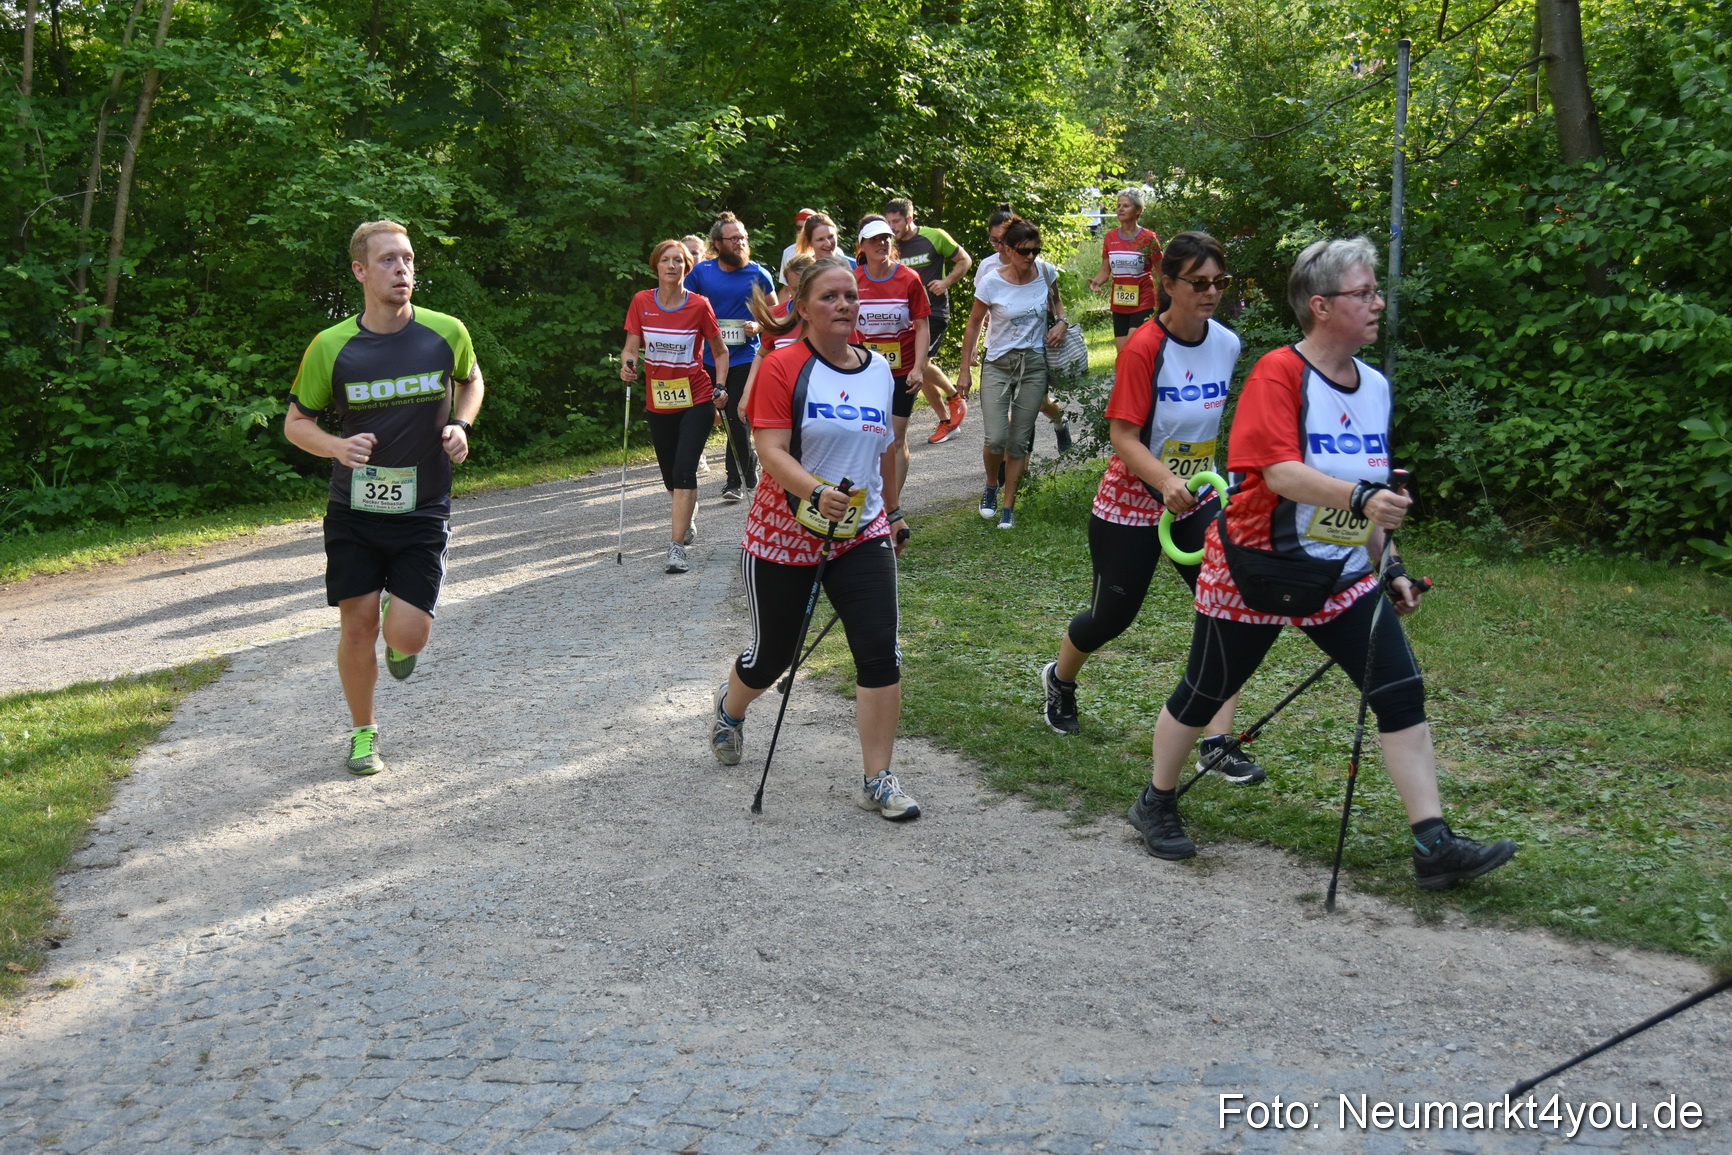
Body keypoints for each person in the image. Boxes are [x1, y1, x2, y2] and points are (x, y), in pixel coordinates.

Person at [1127, 237, 1518, 893]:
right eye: (1363, 292)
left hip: (1339, 577)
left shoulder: (1377, 388)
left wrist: (1388, 561)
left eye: (1374, 291)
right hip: (1256, 567)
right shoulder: (1279, 374)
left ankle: (1434, 843)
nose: (1377, 302)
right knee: (1203, 691)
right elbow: (1278, 472)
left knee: (1400, 692)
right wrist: (1362, 498)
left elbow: (1373, 489)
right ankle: (1156, 798)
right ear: (1321, 305)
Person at [1038, 231, 1263, 782]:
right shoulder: (1144, 346)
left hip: (1199, 499)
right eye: (1199, 283)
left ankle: (1218, 739)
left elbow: (1209, 424)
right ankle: (1060, 680)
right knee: (1111, 617)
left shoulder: (1227, 344)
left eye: (1220, 283)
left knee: (1227, 610)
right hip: (1133, 500)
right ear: (1168, 285)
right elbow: (1123, 434)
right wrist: (1163, 480)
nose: (1211, 292)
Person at [709, 256, 920, 820]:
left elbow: (886, 452)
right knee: (771, 657)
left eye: (851, 296)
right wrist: (814, 490)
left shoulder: (880, 370)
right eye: (830, 297)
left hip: (860, 531)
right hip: (785, 536)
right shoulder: (783, 365)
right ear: (801, 308)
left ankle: (879, 777)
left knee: (880, 652)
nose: (845, 305)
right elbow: (770, 450)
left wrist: (893, 512)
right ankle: (731, 710)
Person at [283, 219, 484, 776]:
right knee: (357, 623)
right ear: (360, 271)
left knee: (408, 636)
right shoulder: (332, 347)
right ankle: (363, 732)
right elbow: (296, 423)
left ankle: (402, 623)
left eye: (409, 259)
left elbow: (471, 379)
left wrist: (462, 424)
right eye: (389, 260)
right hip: (355, 509)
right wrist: (335, 446)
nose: (402, 270)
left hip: (423, 507)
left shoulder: (446, 332)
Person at [620, 239, 730, 573]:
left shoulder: (699, 305)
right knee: (671, 476)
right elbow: (630, 347)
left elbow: (720, 351)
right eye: (665, 261)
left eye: (678, 261)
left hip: (696, 397)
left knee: (684, 469)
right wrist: (627, 365)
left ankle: (676, 547)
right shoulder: (641, 302)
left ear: (687, 266)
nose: (672, 266)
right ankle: (687, 514)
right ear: (656, 266)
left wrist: (720, 385)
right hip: (659, 398)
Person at [956, 218, 1067, 530]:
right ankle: (991, 486)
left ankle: (1008, 506)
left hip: (1034, 364)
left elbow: (1058, 304)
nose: (1030, 256)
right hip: (998, 363)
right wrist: (965, 369)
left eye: (1035, 250)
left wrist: (1062, 322)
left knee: (1018, 441)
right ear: (1007, 249)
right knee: (996, 439)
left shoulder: (1046, 272)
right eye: (1023, 251)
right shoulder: (992, 281)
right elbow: (974, 323)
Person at [686, 212, 775, 502]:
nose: (740, 243)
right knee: (716, 417)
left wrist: (758, 325)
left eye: (743, 238)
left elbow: (777, 315)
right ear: (718, 243)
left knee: (737, 416)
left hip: (746, 356)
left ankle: (733, 481)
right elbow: (685, 306)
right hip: (708, 358)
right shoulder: (702, 273)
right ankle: (749, 469)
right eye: (733, 238)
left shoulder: (759, 274)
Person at [975, 204, 1072, 453]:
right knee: (1003, 422)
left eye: (1001, 241)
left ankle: (1059, 422)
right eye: (993, 241)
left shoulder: (1042, 268)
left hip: (1034, 352)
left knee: (1039, 405)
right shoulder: (987, 268)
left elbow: (1056, 301)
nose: (997, 247)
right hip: (1000, 349)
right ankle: (1014, 466)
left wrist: (1062, 322)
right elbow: (981, 307)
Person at [882, 197, 971, 444]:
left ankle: (955, 399)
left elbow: (965, 260)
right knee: (916, 369)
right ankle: (946, 421)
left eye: (896, 221)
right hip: (905, 317)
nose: (892, 227)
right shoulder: (889, 244)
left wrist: (946, 282)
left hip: (933, 311)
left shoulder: (935, 236)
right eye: (888, 222)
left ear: (909, 219)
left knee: (918, 365)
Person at [853, 215, 931, 494]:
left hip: (902, 371)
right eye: (874, 239)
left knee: (896, 438)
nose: (881, 243)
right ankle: (870, 497)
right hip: (864, 372)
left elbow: (922, 326)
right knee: (867, 436)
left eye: (885, 238)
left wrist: (919, 369)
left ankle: (891, 507)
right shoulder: (853, 280)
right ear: (861, 246)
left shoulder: (909, 279)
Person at [739, 252, 816, 417]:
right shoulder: (776, 315)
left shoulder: (829, 316)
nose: (802, 293)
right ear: (788, 289)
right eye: (796, 289)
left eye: (806, 286)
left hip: (819, 401)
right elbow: (761, 355)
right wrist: (747, 394)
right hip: (782, 400)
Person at [1088, 187, 1162, 351]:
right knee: (1122, 355)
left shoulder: (1148, 238)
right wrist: (1096, 282)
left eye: (1126, 206)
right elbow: (1105, 270)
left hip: (1144, 300)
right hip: (1120, 301)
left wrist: (1166, 300)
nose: (1120, 209)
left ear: (1138, 210)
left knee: (1132, 348)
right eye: (1119, 205)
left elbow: (1161, 272)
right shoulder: (1110, 237)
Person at [778, 211, 853, 301]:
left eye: (831, 237)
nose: (828, 243)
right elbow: (789, 294)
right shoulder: (803, 269)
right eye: (820, 239)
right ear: (810, 242)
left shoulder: (854, 266)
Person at [777, 207, 817, 285]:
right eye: (799, 228)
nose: (802, 232)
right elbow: (787, 289)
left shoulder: (831, 251)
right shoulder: (789, 252)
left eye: (805, 228)